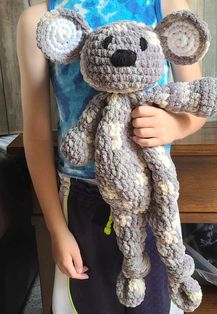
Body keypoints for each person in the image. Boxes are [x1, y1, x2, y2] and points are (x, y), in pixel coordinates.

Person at [17, 0, 207, 313]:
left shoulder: (167, 6)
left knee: (154, 303)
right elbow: (36, 134)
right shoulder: (39, 20)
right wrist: (56, 229)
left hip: (151, 197)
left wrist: (174, 125)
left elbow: (196, 105)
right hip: (80, 197)